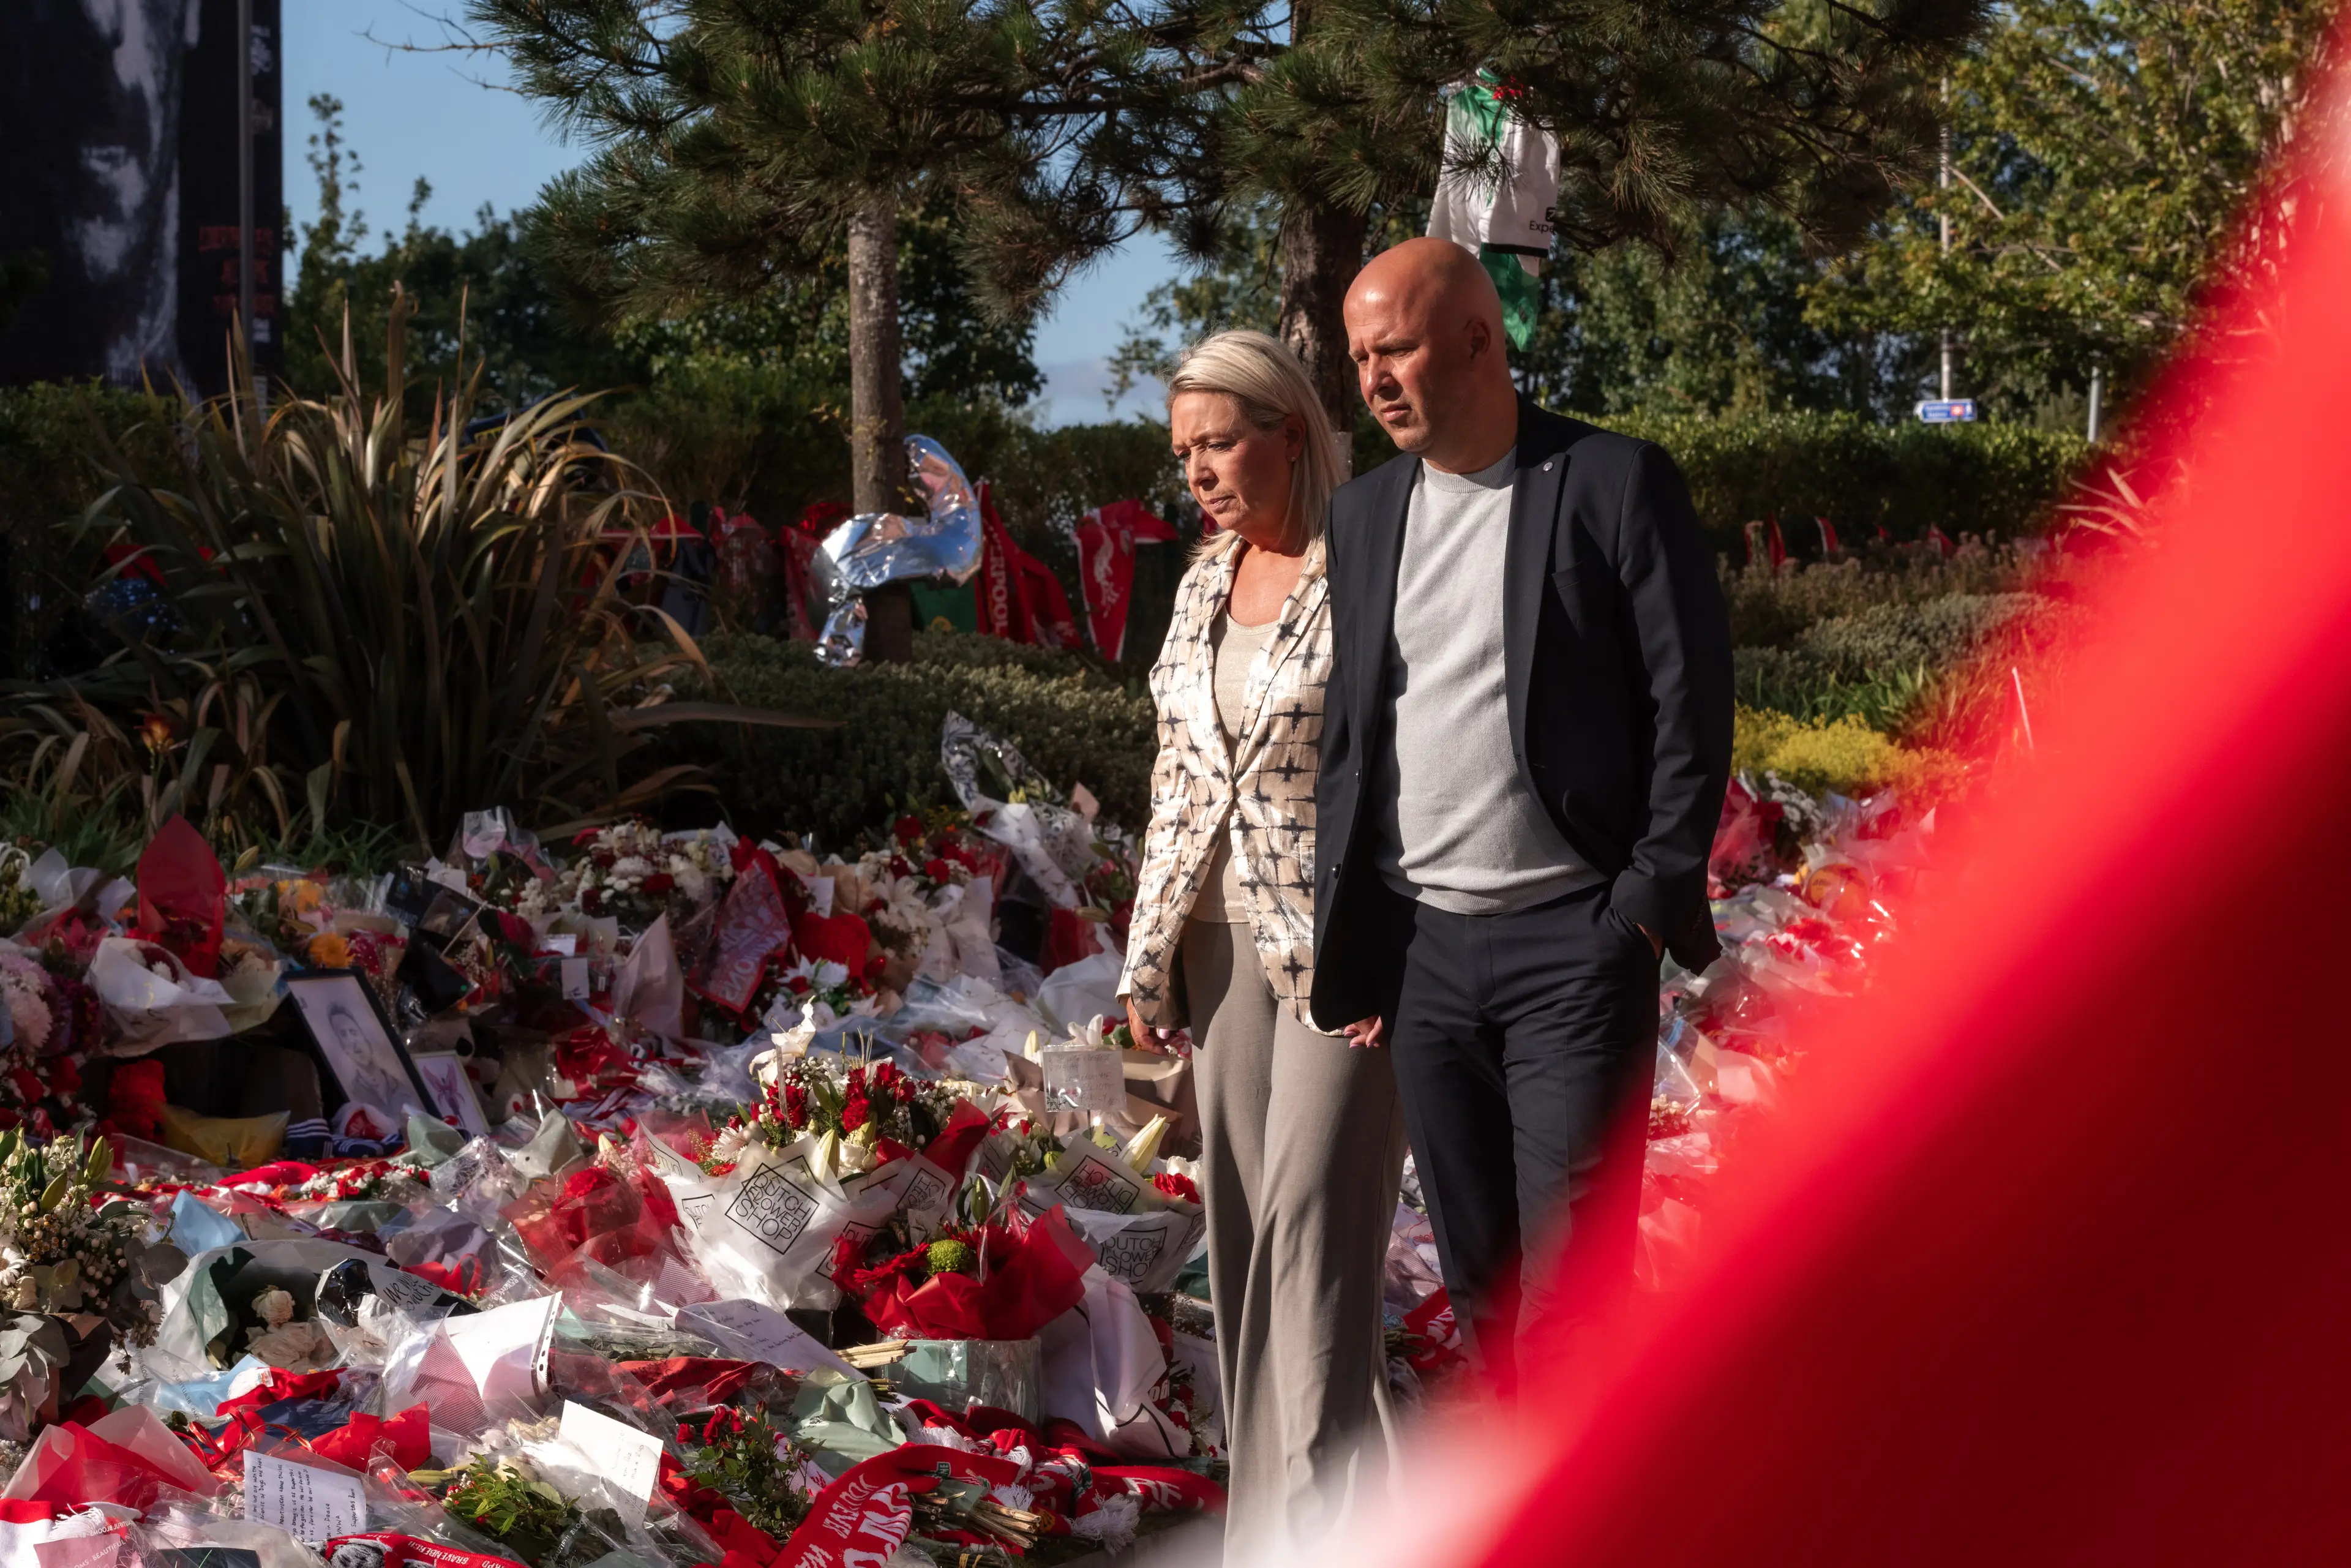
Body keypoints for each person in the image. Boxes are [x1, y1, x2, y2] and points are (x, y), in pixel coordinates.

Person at [1313, 239, 1734, 1393]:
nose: (1375, 378)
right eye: (1359, 358)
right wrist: (1356, 938)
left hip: (1576, 949)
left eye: (1393, 348)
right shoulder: (1360, 518)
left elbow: (1689, 706)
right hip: (1426, 960)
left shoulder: (1611, 481)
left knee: (1575, 1306)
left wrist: (1642, 908)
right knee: (1487, 1301)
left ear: (1480, 340)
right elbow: (1356, 737)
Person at [1117, 330, 1401, 1554]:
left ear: (1291, 429)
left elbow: (1413, 765)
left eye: (1219, 442)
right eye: (1184, 451)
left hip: (1348, 948)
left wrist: (1402, 936)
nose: (1198, 471)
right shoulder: (1196, 582)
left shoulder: (1375, 566)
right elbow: (1176, 778)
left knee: (1313, 1234)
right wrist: (1144, 956)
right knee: (1239, 1233)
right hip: (1220, 943)